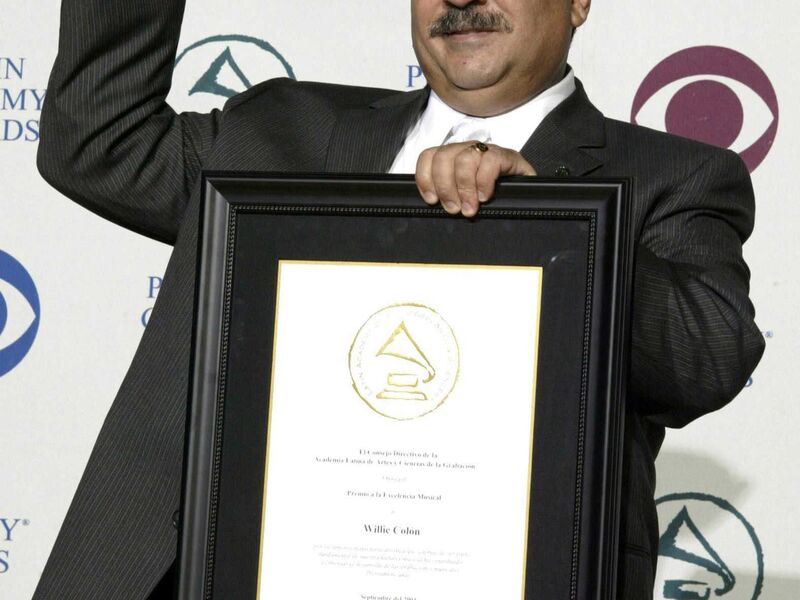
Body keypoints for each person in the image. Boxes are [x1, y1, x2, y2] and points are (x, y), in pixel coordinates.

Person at [34, 0, 764, 598]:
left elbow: (709, 354)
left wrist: (555, 219)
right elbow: (97, 139)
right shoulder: (278, 131)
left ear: (579, 3)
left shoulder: (675, 175)